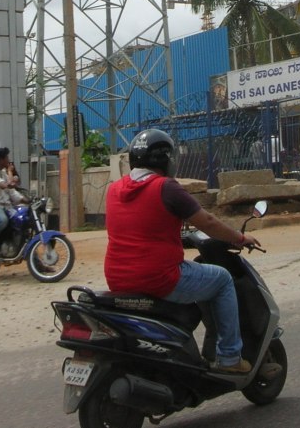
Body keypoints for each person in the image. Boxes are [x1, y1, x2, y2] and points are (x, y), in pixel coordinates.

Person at [104, 129, 259, 375]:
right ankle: (229, 357)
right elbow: (207, 222)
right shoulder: (166, 187)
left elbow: (140, 227)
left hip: (117, 278)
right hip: (158, 278)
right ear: (165, 159)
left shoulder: (114, 189)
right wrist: (240, 238)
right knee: (222, 279)